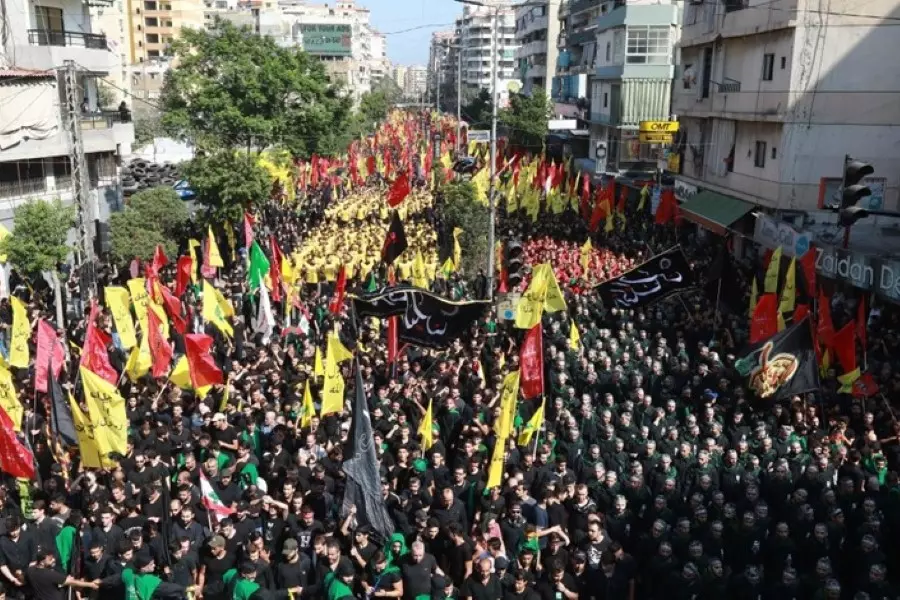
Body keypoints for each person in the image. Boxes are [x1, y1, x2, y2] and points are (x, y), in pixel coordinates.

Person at [25, 548, 97, 600]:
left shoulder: (30, 571)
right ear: (41, 562)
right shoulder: (50, 574)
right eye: (50, 559)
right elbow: (73, 582)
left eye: (53, 558)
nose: (53, 560)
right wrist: (90, 584)